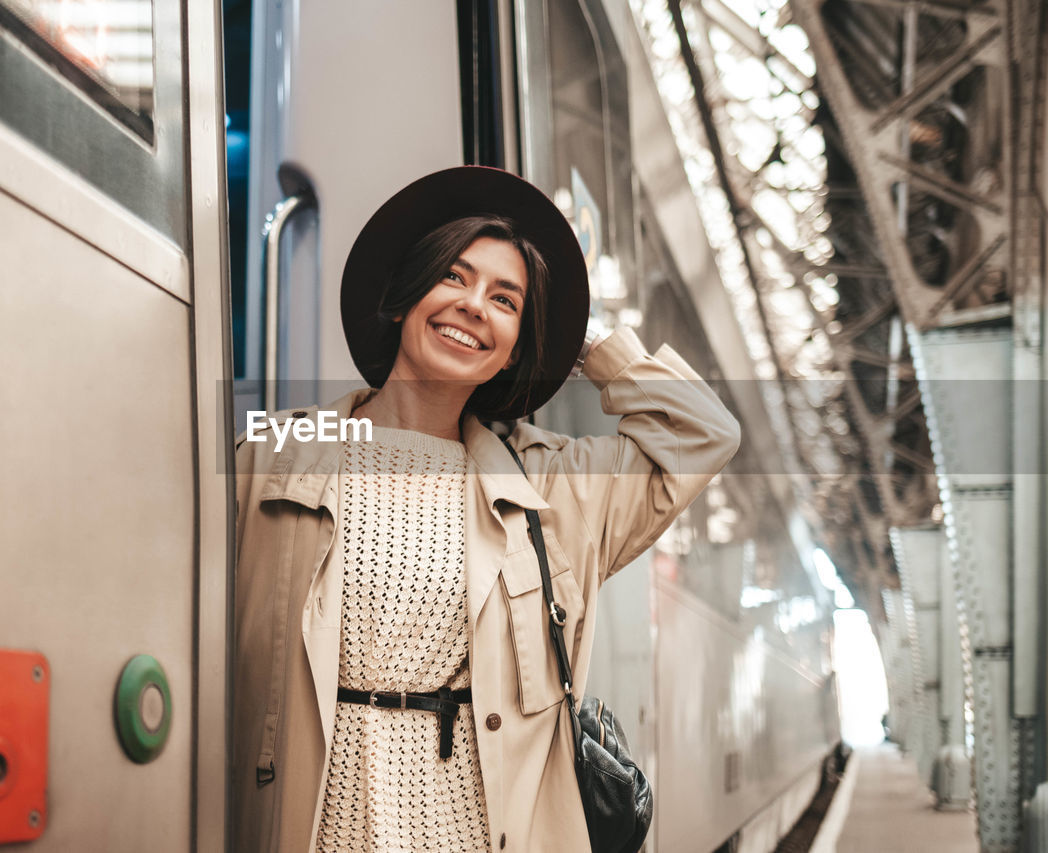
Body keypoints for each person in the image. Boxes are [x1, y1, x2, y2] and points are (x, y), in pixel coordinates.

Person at [232, 166, 741, 852]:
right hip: (317, 825)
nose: (474, 305)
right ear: (402, 299)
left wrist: (588, 344)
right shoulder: (280, 450)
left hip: (473, 832)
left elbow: (704, 433)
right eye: (454, 277)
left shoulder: (550, 487)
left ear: (512, 351)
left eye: (505, 300)